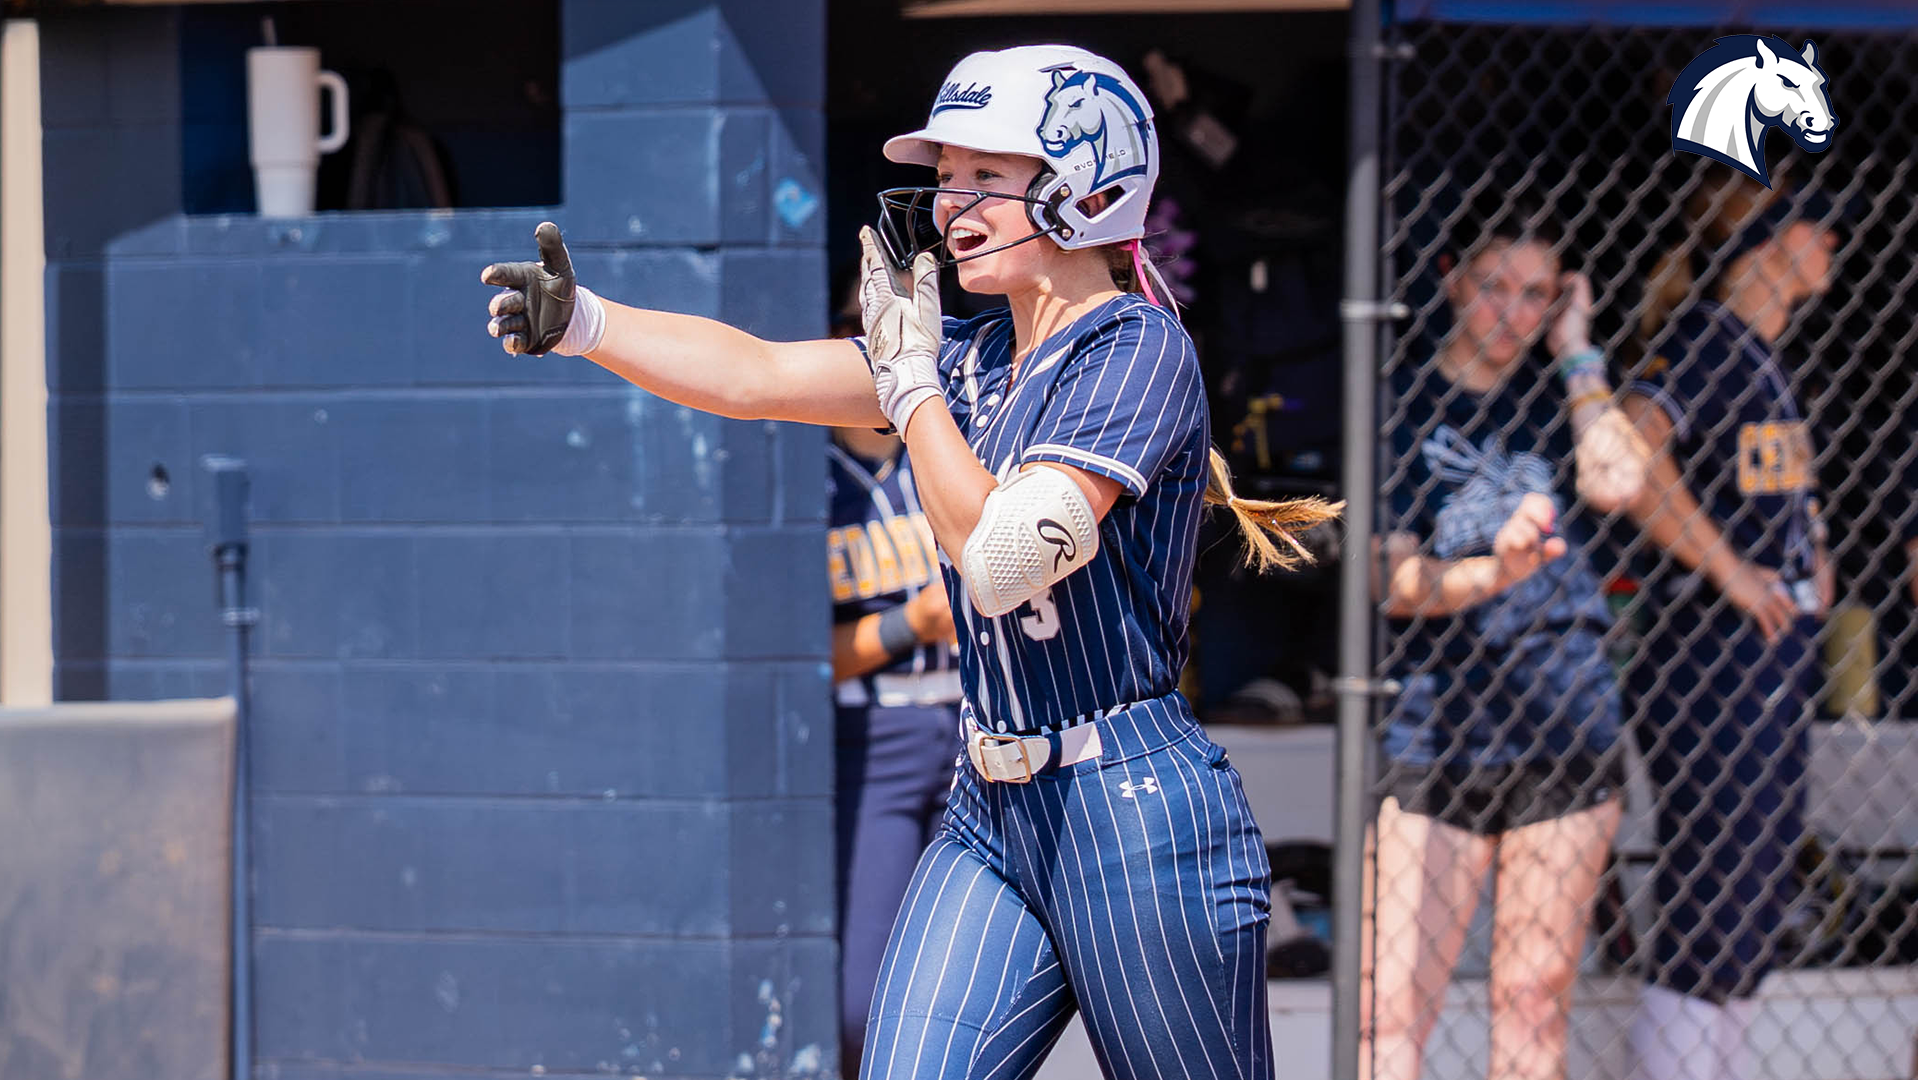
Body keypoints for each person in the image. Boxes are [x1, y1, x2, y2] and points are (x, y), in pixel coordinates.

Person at [479, 44, 1339, 1080]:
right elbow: (752, 375)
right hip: (991, 806)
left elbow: (1002, 559)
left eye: (988, 177)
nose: (952, 207)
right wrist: (586, 323)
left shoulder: (1136, 348)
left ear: (1088, 187)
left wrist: (911, 379)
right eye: (945, 181)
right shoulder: (973, 357)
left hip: (1133, 813)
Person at [1367, 200, 1650, 1080]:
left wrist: (1577, 351)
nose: (1514, 315)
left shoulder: (1565, 398)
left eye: (1538, 295)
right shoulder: (1400, 402)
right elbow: (1392, 581)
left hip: (1564, 724)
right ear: (1454, 279)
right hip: (1439, 727)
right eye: (1495, 288)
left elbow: (1619, 480)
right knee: (1390, 1009)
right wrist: (1499, 571)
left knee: (1531, 1002)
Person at [1619, 183, 1841, 1080]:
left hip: (1770, 657)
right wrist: (1728, 568)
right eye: (1817, 225)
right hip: (1710, 657)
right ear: (1772, 245)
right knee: (1714, 908)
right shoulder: (1710, 336)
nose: (1831, 241)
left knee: (1753, 907)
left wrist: (1810, 542)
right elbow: (1633, 448)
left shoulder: (1763, 354)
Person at [824, 422, 962, 1079]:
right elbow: (798, 656)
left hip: (974, 724)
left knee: (967, 990)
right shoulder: (813, 475)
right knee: (861, 1006)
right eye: (849, 317)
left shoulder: (948, 450)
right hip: (872, 732)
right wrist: (915, 623)